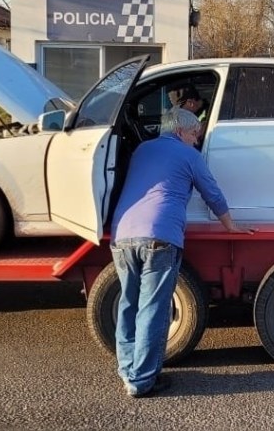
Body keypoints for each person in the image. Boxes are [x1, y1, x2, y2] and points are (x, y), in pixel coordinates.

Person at [108, 107, 253, 398]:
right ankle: (142, 381)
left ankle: (128, 370)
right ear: (179, 132)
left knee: (129, 304)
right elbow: (211, 191)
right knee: (153, 309)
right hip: (159, 235)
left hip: (122, 235)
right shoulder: (189, 155)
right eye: (194, 135)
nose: (196, 141)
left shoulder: (142, 150)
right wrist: (230, 225)